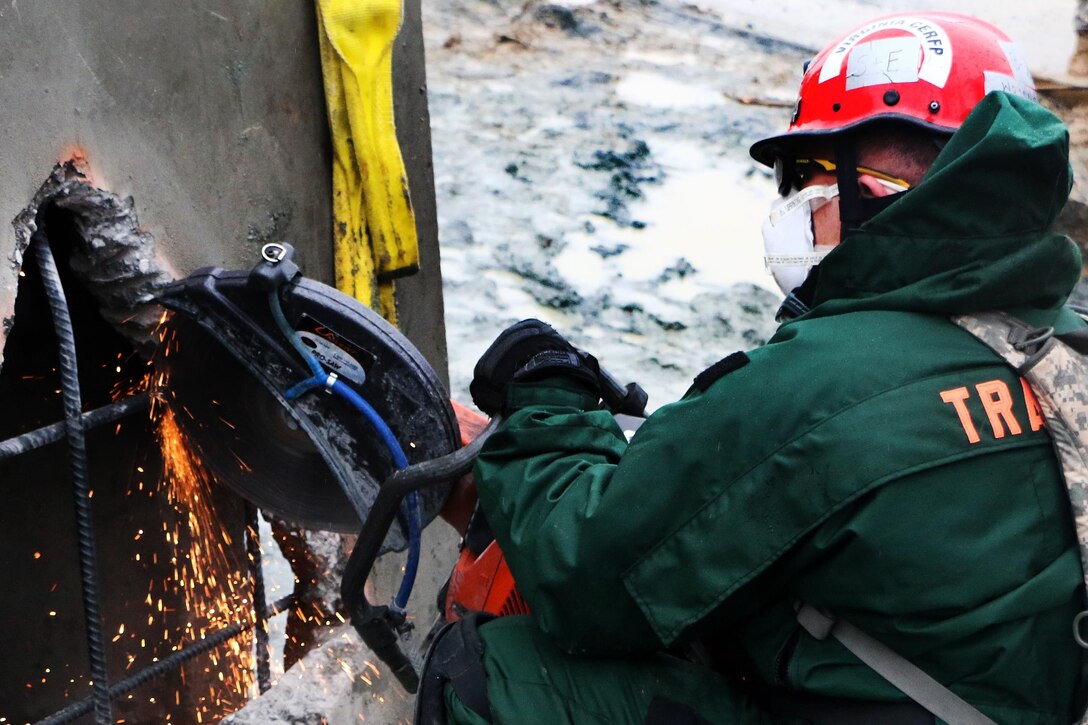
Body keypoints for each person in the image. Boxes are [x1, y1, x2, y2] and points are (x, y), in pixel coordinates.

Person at [422, 12, 1087, 724]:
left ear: (884, 188)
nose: (799, 206)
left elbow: (585, 578)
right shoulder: (1064, 342)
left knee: (493, 673)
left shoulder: (829, 377)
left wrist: (542, 399)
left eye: (814, 177)